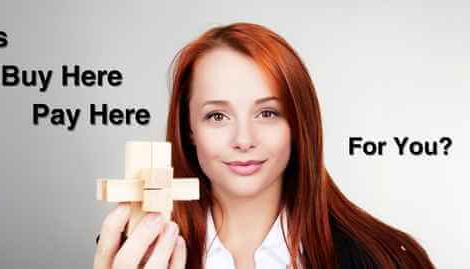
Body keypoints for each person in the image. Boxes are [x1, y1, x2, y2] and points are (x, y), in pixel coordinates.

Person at [93, 22, 436, 269]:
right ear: (189, 129)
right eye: (217, 116)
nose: (244, 140)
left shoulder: (388, 259)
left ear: (299, 126)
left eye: (268, 113)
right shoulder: (134, 254)